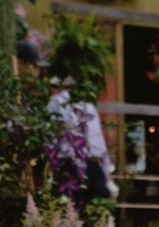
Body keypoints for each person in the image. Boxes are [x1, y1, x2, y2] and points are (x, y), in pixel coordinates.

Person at [47, 77, 118, 206]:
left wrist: (107, 176)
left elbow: (51, 140)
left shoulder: (87, 106)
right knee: (87, 215)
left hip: (86, 166)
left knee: (87, 214)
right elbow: (100, 143)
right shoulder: (58, 103)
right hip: (77, 165)